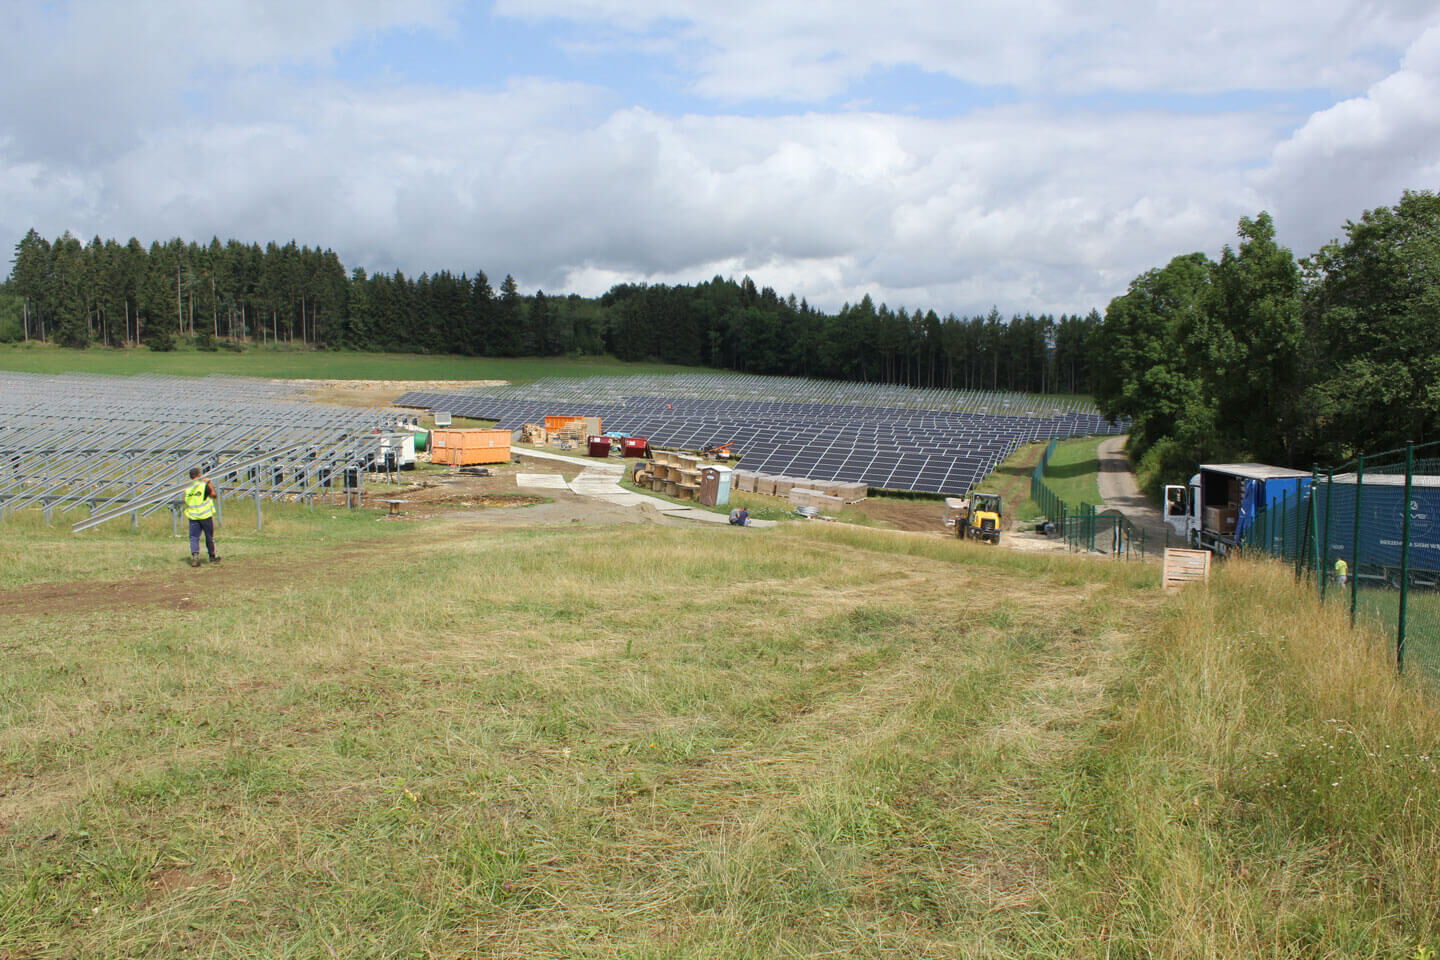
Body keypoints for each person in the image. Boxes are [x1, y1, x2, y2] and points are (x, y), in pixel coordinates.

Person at [184, 466, 220, 567]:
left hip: (193, 516)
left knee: (194, 537)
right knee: (209, 536)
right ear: (199, 475)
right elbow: (214, 495)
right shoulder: (203, 486)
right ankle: (212, 557)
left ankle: (195, 557)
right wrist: (209, 483)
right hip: (205, 515)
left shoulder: (188, 487)